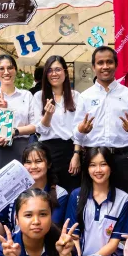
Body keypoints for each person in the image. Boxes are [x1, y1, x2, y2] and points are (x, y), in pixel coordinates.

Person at [74, 46, 128, 203]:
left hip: (123, 158)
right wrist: (81, 130)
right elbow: (75, 133)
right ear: (93, 67)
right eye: (100, 63)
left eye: (109, 62)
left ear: (116, 65)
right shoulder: (85, 97)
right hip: (94, 159)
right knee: (92, 202)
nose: (105, 66)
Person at [0, 54, 38, 183]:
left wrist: (14, 131)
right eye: (1, 69)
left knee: (21, 189)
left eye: (10, 68)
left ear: (15, 70)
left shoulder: (26, 95)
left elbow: (35, 125)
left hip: (21, 148)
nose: (6, 72)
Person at [34, 54, 83, 191]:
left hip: (71, 149)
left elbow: (79, 129)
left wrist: (76, 154)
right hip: (48, 150)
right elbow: (40, 130)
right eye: (50, 70)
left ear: (65, 73)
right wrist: (48, 115)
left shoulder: (76, 96)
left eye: (58, 70)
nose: (54, 74)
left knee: (72, 191)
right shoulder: (39, 96)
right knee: (50, 193)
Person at [0, 142, 69, 232]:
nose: (33, 166)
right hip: (14, 240)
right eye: (28, 162)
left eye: (38, 161)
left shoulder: (60, 193)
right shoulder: (12, 191)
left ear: (49, 164)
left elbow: (53, 228)